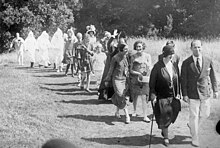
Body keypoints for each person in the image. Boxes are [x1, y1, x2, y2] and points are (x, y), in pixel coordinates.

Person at [181, 40, 218, 147]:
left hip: (205, 91)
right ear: (191, 48)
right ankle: (195, 137)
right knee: (194, 116)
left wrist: (216, 90)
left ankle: (192, 126)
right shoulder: (186, 63)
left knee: (205, 114)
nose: (197, 49)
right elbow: (183, 80)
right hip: (192, 93)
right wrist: (184, 94)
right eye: (195, 47)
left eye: (199, 47)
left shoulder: (208, 60)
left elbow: (213, 76)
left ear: (202, 47)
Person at [149, 45, 181, 146]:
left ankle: (164, 127)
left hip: (173, 96)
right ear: (164, 55)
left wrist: (179, 92)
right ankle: (166, 137)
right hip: (162, 96)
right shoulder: (157, 67)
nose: (171, 57)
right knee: (165, 116)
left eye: (172, 55)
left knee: (173, 113)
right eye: (169, 55)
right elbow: (152, 83)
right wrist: (153, 95)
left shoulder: (174, 65)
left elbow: (178, 79)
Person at [104, 42, 130, 124]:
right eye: (125, 49)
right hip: (116, 79)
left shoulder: (126, 57)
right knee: (120, 95)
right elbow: (111, 69)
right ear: (120, 50)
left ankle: (117, 112)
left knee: (121, 95)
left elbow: (127, 68)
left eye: (127, 49)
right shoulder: (115, 58)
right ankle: (127, 115)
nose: (127, 51)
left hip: (124, 79)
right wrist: (107, 80)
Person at [98, 29, 126, 101]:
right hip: (110, 66)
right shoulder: (113, 48)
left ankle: (116, 97)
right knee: (107, 80)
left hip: (118, 68)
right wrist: (113, 36)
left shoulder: (124, 50)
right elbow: (108, 44)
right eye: (120, 42)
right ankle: (104, 96)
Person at [129, 40, 152, 122]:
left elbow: (150, 67)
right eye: (137, 47)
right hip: (136, 78)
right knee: (135, 95)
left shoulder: (147, 56)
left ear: (143, 47)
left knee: (144, 97)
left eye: (139, 46)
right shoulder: (133, 56)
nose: (138, 48)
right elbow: (131, 70)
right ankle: (134, 110)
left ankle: (145, 115)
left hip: (145, 78)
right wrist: (138, 73)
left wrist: (146, 64)